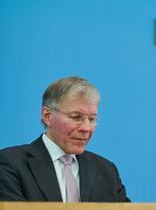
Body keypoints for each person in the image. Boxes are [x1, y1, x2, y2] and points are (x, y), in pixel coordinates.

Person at [0, 76, 130, 202]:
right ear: (47, 116)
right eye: (76, 117)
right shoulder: (10, 164)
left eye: (92, 119)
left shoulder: (106, 171)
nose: (86, 128)